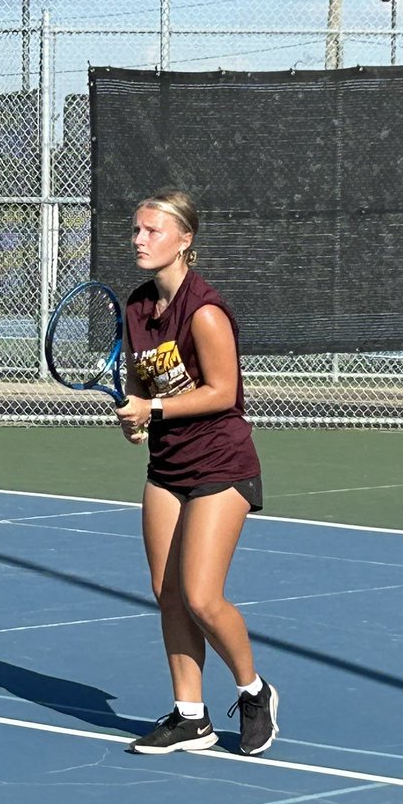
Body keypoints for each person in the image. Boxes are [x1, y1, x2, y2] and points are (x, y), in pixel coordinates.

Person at [115, 189, 278, 756]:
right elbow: (141, 377)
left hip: (221, 465)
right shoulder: (137, 307)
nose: (139, 239)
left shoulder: (205, 311)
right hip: (166, 466)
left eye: (152, 231)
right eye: (137, 230)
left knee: (203, 596)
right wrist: (135, 416)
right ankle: (190, 716)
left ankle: (254, 691)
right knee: (168, 595)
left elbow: (223, 392)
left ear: (185, 240)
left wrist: (153, 409)